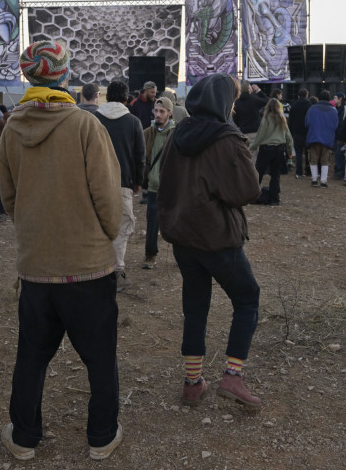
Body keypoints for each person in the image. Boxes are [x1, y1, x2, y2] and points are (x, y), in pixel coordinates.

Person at [0, 40, 124, 462]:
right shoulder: (86, 126)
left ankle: (23, 437)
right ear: (64, 75)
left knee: (32, 355)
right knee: (100, 357)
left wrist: (36, 232)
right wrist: (106, 237)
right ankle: (102, 437)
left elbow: (9, 197)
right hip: (88, 266)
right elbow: (108, 195)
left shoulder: (11, 128)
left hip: (37, 268)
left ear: (28, 77)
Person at [157, 73, 264, 408]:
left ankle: (193, 382)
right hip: (217, 237)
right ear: (224, 102)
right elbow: (248, 191)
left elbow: (165, 181)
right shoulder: (227, 139)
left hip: (183, 236)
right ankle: (232, 377)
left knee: (195, 305)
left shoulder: (177, 135)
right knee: (247, 298)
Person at [93, 80, 144, 288]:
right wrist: (138, 182)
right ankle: (117, 270)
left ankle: (95, 270)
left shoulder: (93, 119)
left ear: (105, 97)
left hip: (94, 182)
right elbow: (140, 156)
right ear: (127, 99)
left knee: (96, 225)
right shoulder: (133, 122)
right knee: (122, 227)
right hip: (123, 182)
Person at [140, 96, 175, 269]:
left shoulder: (176, 133)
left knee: (176, 221)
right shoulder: (148, 132)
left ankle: (181, 256)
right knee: (152, 222)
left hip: (172, 187)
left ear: (170, 113)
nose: (158, 114)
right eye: (156, 110)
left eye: (162, 111)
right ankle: (150, 254)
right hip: (154, 186)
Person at [249, 98, 293, 205]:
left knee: (258, 173)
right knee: (275, 174)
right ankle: (274, 198)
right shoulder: (282, 119)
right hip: (279, 149)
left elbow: (260, 135)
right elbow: (288, 136)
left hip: (266, 148)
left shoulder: (265, 120)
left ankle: (253, 195)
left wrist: (252, 146)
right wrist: (289, 150)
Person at [304, 90, 339, 188]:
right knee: (325, 160)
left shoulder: (312, 109)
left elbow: (307, 123)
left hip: (314, 137)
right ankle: (323, 181)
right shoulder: (333, 110)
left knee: (313, 159)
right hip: (327, 138)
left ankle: (314, 180)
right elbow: (336, 125)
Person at [288, 88, 312, 179]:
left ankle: (299, 172)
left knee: (298, 153)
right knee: (308, 153)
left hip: (297, 132)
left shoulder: (294, 105)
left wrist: (291, 131)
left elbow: (290, 120)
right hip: (307, 132)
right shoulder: (309, 105)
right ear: (307, 95)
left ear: (298, 96)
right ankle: (308, 170)